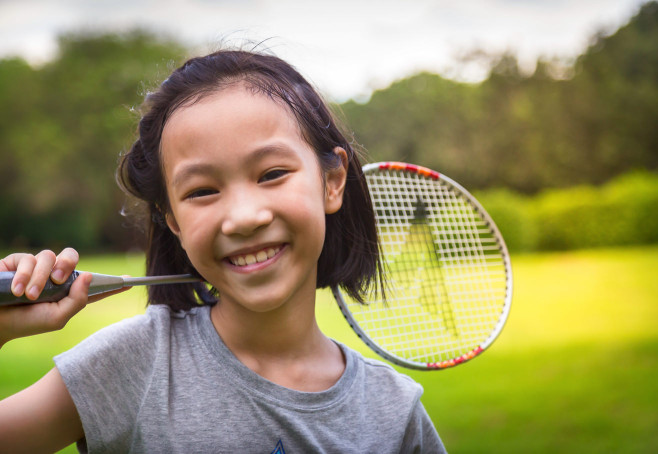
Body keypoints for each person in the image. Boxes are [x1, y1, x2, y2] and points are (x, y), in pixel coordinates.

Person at [0, 49, 446, 453]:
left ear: (332, 181)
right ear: (172, 219)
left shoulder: (394, 412)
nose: (243, 217)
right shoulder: (133, 363)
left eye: (271, 173)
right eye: (202, 191)